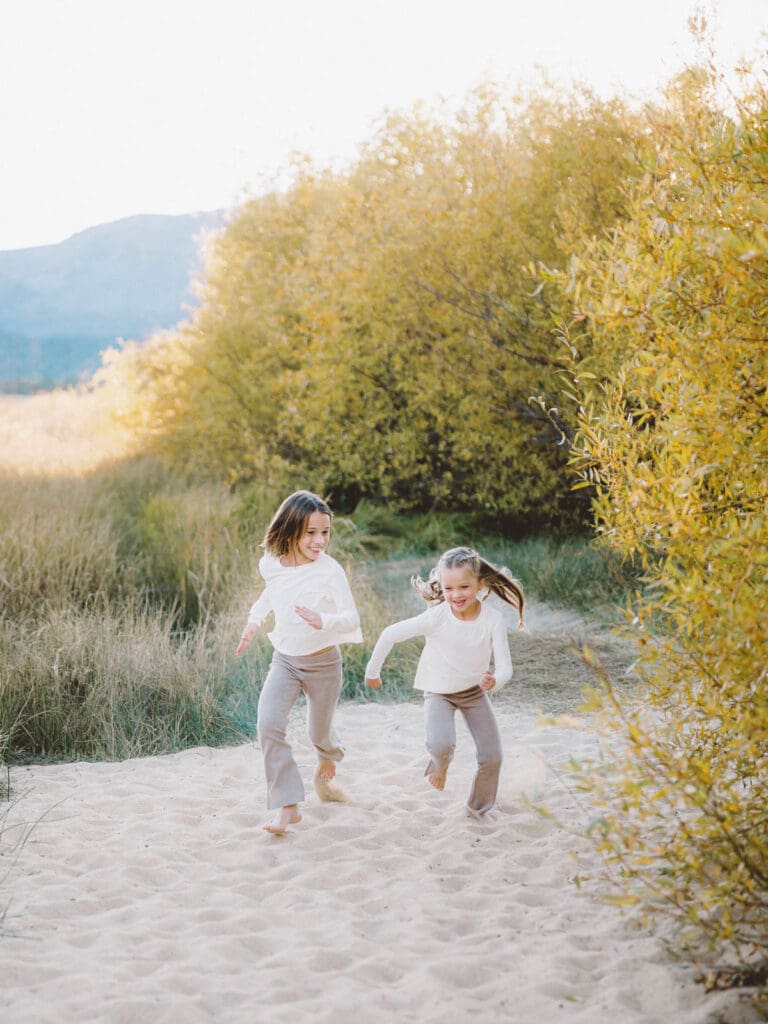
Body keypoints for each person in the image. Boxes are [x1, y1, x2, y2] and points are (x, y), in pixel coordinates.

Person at [236, 490, 362, 835]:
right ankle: (288, 806)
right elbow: (270, 594)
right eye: (311, 532)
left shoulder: (330, 570)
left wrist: (324, 620)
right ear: (290, 528)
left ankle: (328, 756)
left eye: (325, 532)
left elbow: (351, 618)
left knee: (318, 733)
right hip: (286, 661)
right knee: (268, 724)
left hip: (324, 664)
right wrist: (253, 621)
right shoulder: (271, 564)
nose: (320, 541)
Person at [365, 546, 524, 819]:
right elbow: (391, 633)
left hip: (474, 693)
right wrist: (372, 671)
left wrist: (494, 681)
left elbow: (506, 667)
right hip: (439, 692)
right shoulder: (436, 617)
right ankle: (440, 765)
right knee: (441, 746)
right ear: (441, 586)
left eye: (464, 586)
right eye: (449, 588)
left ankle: (477, 809)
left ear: (480, 584)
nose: (456, 595)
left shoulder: (493, 620)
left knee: (492, 757)